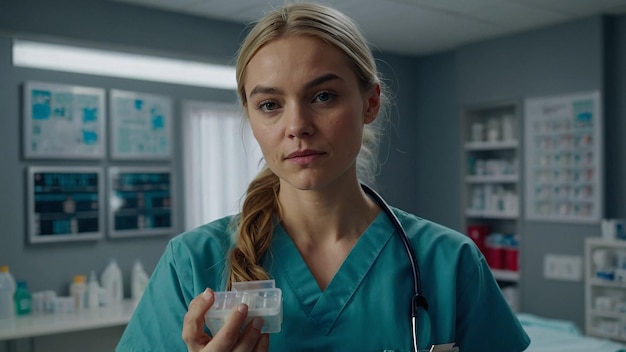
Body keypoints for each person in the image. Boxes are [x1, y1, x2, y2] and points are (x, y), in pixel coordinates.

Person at [116, 3, 531, 352]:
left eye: (323, 96)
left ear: (370, 103)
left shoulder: (449, 263)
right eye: (270, 104)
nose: (297, 125)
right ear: (250, 116)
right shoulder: (191, 263)